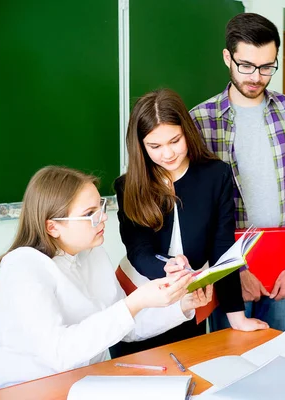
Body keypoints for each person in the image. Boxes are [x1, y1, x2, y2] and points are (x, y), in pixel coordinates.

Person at [0, 166, 212, 395]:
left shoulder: (93, 254)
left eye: (101, 207)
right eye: (89, 214)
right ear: (52, 227)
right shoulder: (21, 266)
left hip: (80, 386)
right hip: (19, 390)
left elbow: (129, 326)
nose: (103, 218)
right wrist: (134, 302)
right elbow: (59, 353)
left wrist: (183, 303)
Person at [114, 89, 267, 356]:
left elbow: (223, 250)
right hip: (140, 302)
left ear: (187, 131)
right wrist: (169, 268)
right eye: (155, 146)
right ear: (140, 145)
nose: (168, 153)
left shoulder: (215, 175)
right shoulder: (128, 186)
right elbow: (139, 250)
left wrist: (236, 316)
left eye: (175, 140)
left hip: (188, 305)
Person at [190, 12, 285, 331]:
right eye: (246, 65)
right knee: (230, 363)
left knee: (276, 359)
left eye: (266, 67)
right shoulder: (200, 121)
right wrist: (233, 275)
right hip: (230, 263)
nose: (256, 76)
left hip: (283, 261)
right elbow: (200, 211)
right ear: (227, 58)